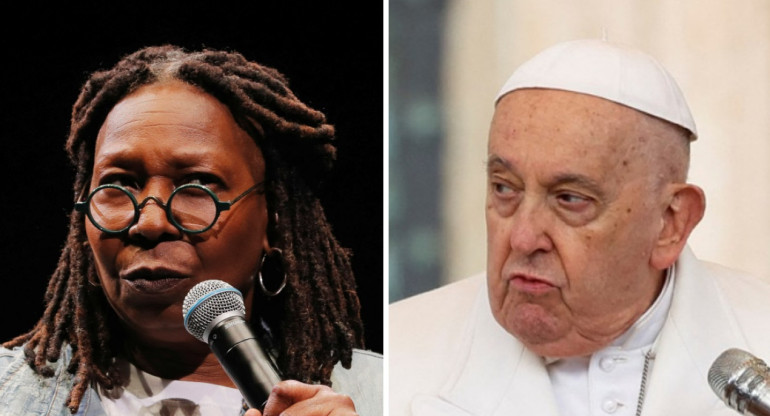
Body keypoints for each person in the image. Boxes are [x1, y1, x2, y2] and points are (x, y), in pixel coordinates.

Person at [390, 39, 770, 415]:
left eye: (570, 199)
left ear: (671, 221)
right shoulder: (395, 352)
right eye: (505, 188)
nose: (523, 238)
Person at [0, 45, 382, 416]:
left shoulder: (395, 396)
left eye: (198, 183)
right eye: (119, 184)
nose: (149, 223)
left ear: (274, 221)